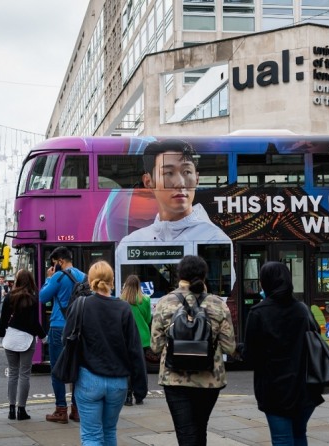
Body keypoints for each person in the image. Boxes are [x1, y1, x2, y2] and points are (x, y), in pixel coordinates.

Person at [114, 139, 235, 284]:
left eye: (187, 172)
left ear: (197, 178)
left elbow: (216, 301)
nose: (180, 183)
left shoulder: (215, 239)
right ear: (148, 181)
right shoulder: (130, 244)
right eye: (168, 173)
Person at [150, 255, 236, 445]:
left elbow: (155, 347)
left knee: (185, 434)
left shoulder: (164, 303)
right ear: (204, 276)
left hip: (174, 378)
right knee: (200, 429)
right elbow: (230, 347)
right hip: (209, 379)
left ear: (179, 275)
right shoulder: (218, 304)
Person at [241, 261, 324, 446]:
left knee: (282, 440)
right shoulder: (302, 309)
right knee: (299, 434)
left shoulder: (258, 313)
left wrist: (239, 348)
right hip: (305, 387)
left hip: (274, 390)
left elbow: (250, 357)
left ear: (264, 283)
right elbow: (316, 340)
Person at [67, 260, 147, 446]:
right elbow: (135, 350)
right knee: (109, 431)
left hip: (88, 379)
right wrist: (140, 387)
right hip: (118, 382)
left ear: (90, 280)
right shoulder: (124, 308)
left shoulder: (81, 305)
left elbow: (66, 340)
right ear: (112, 281)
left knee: (91, 436)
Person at [38, 246, 85, 424]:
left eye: (54, 263)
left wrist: (48, 278)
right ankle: (77, 410)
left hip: (59, 327)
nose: (53, 266)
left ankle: (61, 410)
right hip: (78, 328)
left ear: (60, 262)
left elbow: (42, 297)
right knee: (77, 368)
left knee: (57, 369)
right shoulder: (83, 276)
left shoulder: (58, 276)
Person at [0, 269, 46, 421]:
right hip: (26, 339)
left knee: (13, 373)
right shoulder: (32, 298)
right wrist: (43, 336)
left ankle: (11, 410)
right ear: (30, 280)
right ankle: (21, 410)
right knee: (24, 374)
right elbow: (34, 322)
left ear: (17, 280)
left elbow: (3, 318)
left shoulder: (9, 296)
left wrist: (1, 335)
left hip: (10, 338)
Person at [120, 274, 151, 406]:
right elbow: (148, 319)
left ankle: (127, 396)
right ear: (139, 286)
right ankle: (139, 395)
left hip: (126, 338)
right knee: (140, 368)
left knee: (127, 368)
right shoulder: (145, 300)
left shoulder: (121, 301)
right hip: (142, 338)